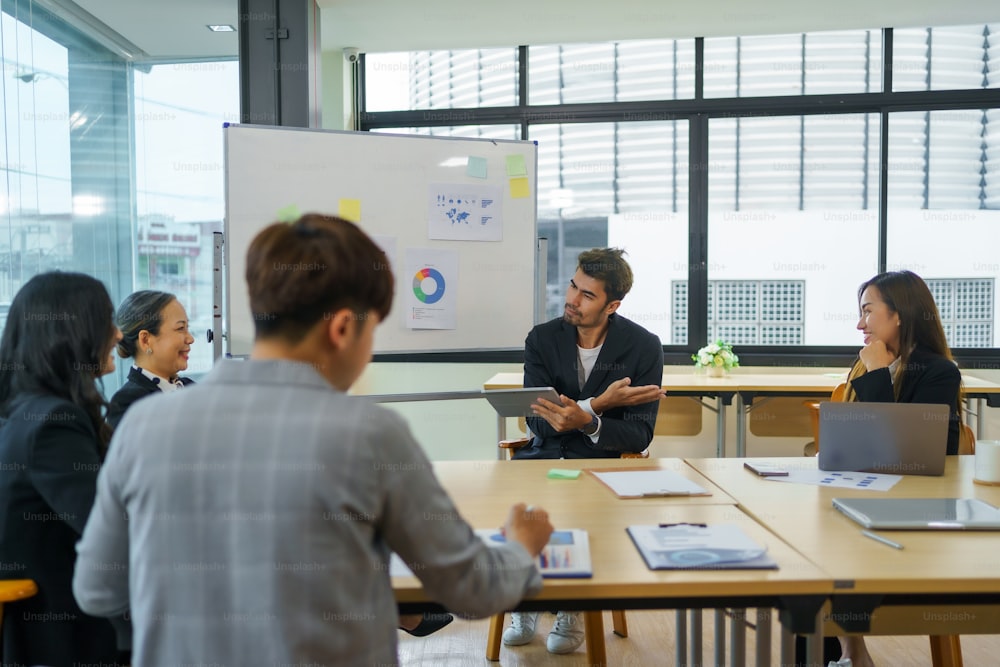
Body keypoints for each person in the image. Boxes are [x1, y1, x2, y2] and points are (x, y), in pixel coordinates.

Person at [73, 213, 554, 666]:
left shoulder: (143, 427)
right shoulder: (369, 435)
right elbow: (470, 588)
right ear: (344, 327)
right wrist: (520, 547)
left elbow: (98, 590)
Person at [504, 247, 665, 654]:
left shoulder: (643, 346)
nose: (572, 299)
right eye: (573, 286)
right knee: (518, 506)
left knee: (577, 502)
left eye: (587, 295)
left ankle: (571, 605)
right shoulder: (541, 338)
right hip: (541, 460)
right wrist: (599, 406)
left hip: (601, 466)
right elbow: (537, 420)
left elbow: (640, 434)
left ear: (612, 305)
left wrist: (587, 422)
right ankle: (523, 598)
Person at [830, 269, 962, 667]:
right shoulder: (866, 366)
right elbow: (853, 448)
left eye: (868, 312)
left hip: (916, 506)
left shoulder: (938, 372)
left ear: (900, 315)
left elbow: (911, 453)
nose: (860, 324)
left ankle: (849, 652)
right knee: (813, 543)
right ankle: (849, 653)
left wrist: (876, 374)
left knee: (832, 548)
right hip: (863, 495)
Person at [0, 272, 127, 666]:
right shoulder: (55, 421)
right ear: (72, 333)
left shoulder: (23, 410)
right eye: (106, 320)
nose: (118, 334)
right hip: (63, 638)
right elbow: (108, 530)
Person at [107, 290, 196, 429]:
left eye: (187, 328)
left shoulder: (192, 388)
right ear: (146, 340)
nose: (191, 339)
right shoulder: (128, 403)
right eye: (180, 328)